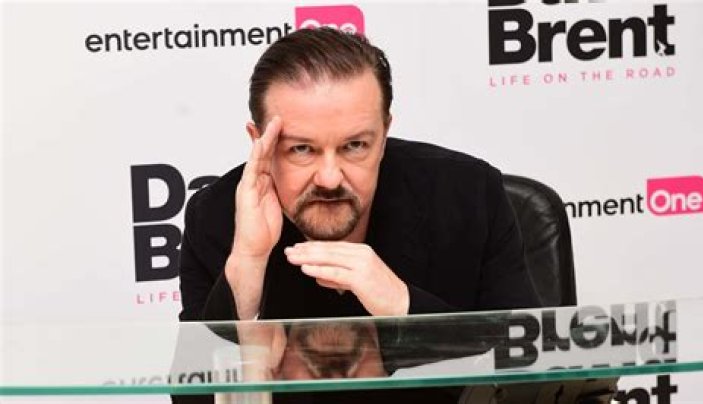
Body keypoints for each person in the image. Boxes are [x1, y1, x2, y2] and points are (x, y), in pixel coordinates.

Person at [176, 27, 540, 402]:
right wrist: (247, 267)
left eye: (355, 146)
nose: (330, 178)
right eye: (301, 149)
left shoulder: (468, 195)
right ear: (259, 143)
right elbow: (191, 400)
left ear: (384, 135)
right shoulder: (216, 216)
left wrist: (404, 307)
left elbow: (532, 370)